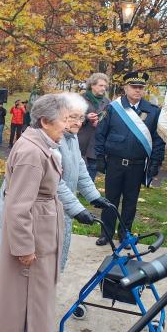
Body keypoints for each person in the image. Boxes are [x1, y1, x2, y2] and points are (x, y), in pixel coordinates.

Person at [0, 94, 71, 332]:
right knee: (24, 293)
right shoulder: (31, 153)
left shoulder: (41, 145)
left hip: (41, 227)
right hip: (32, 231)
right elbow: (17, 205)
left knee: (34, 292)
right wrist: (24, 247)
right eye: (63, 120)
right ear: (46, 121)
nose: (67, 125)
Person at [94, 72, 165, 246]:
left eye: (141, 87)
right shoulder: (113, 108)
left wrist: (155, 162)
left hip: (137, 165)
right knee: (110, 200)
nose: (137, 91)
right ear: (125, 87)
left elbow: (158, 140)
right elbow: (100, 134)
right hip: (115, 163)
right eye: (134, 87)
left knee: (130, 201)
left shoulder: (153, 111)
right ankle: (106, 233)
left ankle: (125, 234)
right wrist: (100, 158)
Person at [55, 93, 110, 270]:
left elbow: (80, 169)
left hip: (63, 208)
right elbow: (54, 182)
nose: (78, 122)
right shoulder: (54, 140)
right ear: (60, 115)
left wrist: (94, 197)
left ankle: (48, 291)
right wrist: (77, 209)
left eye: (80, 118)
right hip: (48, 210)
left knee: (58, 256)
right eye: (73, 117)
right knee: (46, 259)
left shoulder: (72, 138)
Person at [78, 73, 110, 181]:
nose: (103, 88)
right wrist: (86, 117)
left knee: (93, 166)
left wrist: (101, 123)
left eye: (105, 86)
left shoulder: (107, 102)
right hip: (81, 137)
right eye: (101, 85)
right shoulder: (80, 99)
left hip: (97, 139)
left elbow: (109, 119)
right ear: (92, 85)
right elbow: (71, 117)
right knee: (76, 164)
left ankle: (86, 191)